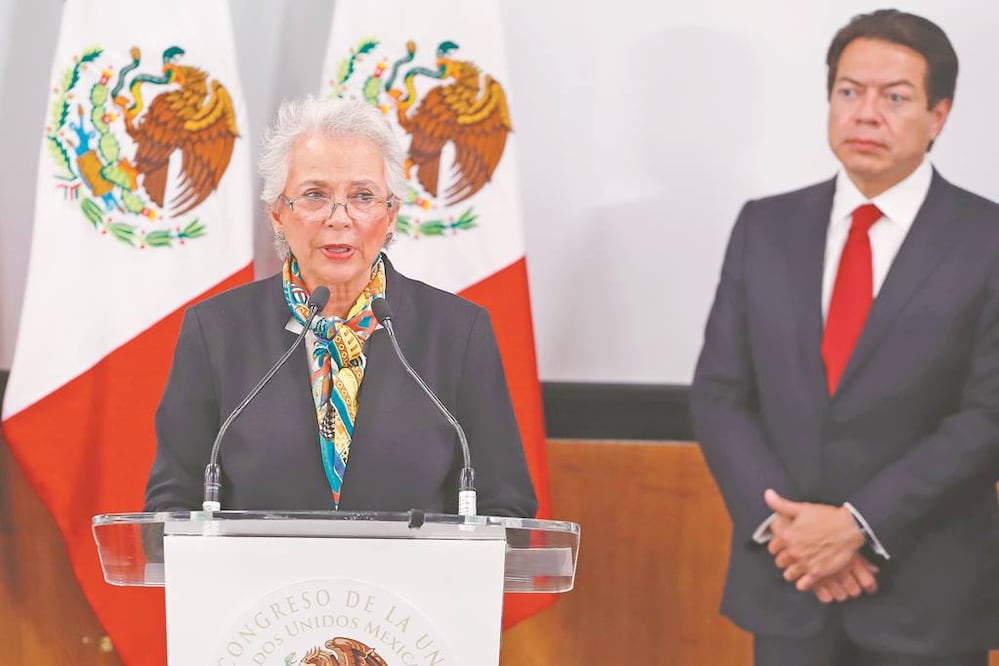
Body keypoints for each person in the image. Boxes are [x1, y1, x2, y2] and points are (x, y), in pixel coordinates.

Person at [691, 9, 998, 665]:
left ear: (938, 116)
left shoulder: (986, 240)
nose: (865, 114)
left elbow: (988, 415)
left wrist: (858, 526)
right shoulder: (765, 228)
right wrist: (790, 532)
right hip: (788, 581)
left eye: (895, 98)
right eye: (849, 92)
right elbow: (719, 393)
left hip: (926, 597)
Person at [144, 95, 537, 518]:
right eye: (315, 195)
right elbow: (174, 503)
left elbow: (504, 505)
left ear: (391, 214)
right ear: (277, 213)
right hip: (264, 565)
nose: (339, 218)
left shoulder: (457, 333)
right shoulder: (217, 332)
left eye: (363, 196)